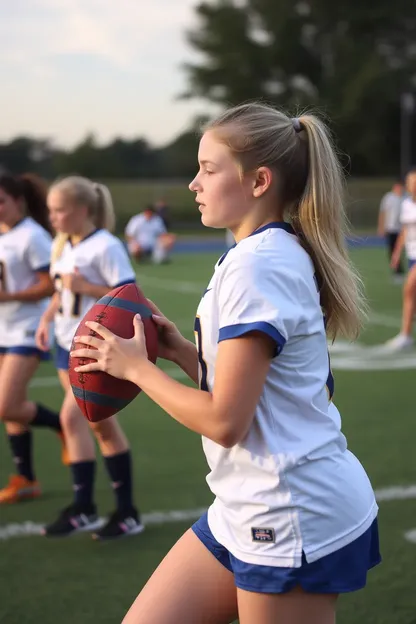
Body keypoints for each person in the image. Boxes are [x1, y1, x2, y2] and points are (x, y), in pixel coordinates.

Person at [72, 103, 380, 624]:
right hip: (245, 502)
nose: (194, 183)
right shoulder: (262, 252)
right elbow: (260, 391)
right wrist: (177, 352)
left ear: (259, 181)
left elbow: (225, 421)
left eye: (208, 169)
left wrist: (136, 370)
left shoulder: (258, 267)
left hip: (286, 510)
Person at [36, 176, 143, 540]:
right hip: (65, 345)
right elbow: (59, 291)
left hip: (93, 347)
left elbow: (128, 296)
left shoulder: (105, 246)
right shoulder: (63, 244)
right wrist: (48, 317)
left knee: (76, 418)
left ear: (83, 209)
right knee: (93, 425)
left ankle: (121, 511)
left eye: (59, 210)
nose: (53, 217)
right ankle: (90, 508)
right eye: (50, 210)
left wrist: (87, 289)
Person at [0, 173, 68, 504]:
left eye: (1, 201)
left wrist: (9, 296)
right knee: (11, 409)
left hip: (28, 326)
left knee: (6, 404)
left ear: (18, 201)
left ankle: (62, 426)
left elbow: (50, 285)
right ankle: (25, 478)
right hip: (3, 326)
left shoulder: (32, 236)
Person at [385, 168, 416, 351]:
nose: (412, 185)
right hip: (412, 256)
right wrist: (397, 253)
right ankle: (406, 335)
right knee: (411, 293)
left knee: (409, 289)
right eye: (410, 182)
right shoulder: (406, 204)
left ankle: (405, 334)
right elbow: (405, 231)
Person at [377, 180, 405, 282]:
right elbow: (382, 213)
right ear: (395, 186)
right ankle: (398, 271)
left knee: (401, 250)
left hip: (402, 229)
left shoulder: (405, 197)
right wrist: (381, 227)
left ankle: (401, 270)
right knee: (392, 249)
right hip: (390, 228)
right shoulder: (388, 197)